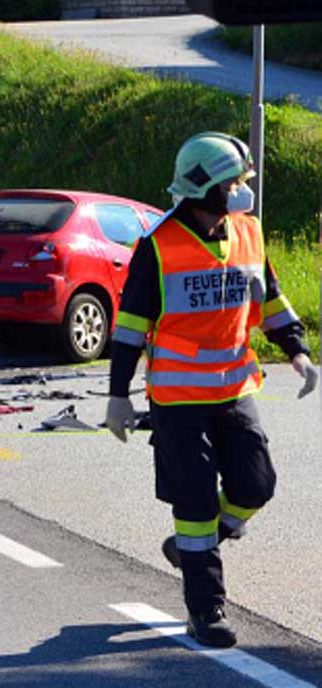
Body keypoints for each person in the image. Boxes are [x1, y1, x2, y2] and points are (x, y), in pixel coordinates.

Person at [106, 132, 318, 648]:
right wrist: (118, 395)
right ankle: (207, 610)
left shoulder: (248, 232)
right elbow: (131, 328)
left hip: (235, 390)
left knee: (256, 485)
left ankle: (192, 548)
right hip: (178, 402)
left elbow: (268, 299)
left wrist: (297, 349)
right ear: (204, 187)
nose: (243, 190)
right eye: (234, 182)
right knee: (195, 504)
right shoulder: (158, 247)